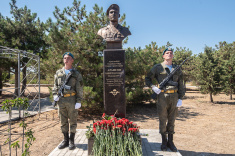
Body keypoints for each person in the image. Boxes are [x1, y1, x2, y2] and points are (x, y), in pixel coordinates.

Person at [145, 48, 185, 152]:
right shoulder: (158, 67)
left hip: (174, 96)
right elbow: (147, 78)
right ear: (163, 56)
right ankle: (164, 141)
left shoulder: (177, 68)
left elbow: (181, 83)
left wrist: (180, 98)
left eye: (171, 53)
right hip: (162, 97)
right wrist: (153, 87)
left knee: (172, 119)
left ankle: (170, 142)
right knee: (163, 119)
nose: (169, 54)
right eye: (167, 53)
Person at [52, 52, 83, 150]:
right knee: (63, 121)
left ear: (72, 60)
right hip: (61, 100)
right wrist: (54, 95)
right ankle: (65, 140)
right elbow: (55, 86)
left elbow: (80, 88)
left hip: (72, 99)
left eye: (69, 58)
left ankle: (72, 141)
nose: (66, 59)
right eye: (65, 58)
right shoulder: (58, 73)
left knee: (73, 121)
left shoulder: (76, 74)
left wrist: (79, 100)